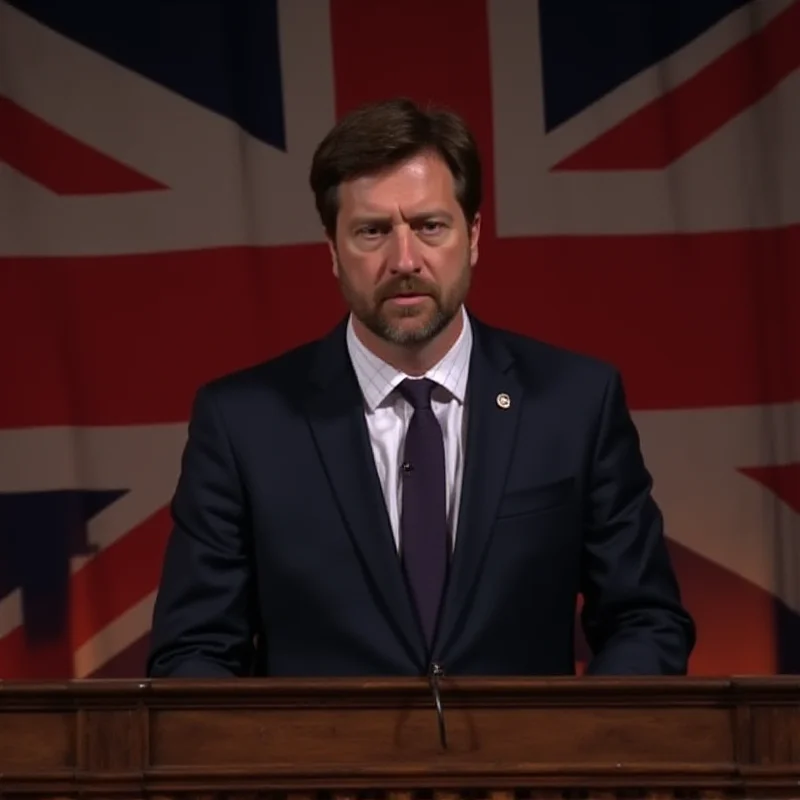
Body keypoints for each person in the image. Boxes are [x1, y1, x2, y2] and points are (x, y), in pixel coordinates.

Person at [146, 97, 695, 679]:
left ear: (474, 235)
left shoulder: (576, 403)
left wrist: (582, 756)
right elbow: (194, 653)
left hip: (526, 769)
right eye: (372, 231)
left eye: (429, 226)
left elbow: (645, 620)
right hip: (322, 768)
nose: (404, 259)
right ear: (333, 251)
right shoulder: (244, 424)